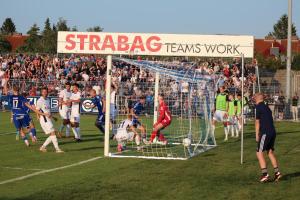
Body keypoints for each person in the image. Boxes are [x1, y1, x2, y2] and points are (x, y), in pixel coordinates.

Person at [254, 93, 282, 183]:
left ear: (257, 98)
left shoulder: (258, 107)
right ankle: (277, 172)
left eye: (254, 97)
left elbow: (257, 122)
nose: (253, 99)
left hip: (265, 133)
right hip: (273, 132)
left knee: (259, 153)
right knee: (270, 152)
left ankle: (265, 174)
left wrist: (257, 134)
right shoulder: (267, 107)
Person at [37, 87, 63, 153]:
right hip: (44, 120)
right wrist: (42, 115)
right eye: (43, 92)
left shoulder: (48, 100)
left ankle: (42, 147)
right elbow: (37, 111)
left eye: (46, 92)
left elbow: (48, 111)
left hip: (49, 119)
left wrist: (53, 117)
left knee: (52, 134)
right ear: (41, 93)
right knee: (53, 133)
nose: (45, 93)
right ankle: (57, 149)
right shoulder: (40, 100)